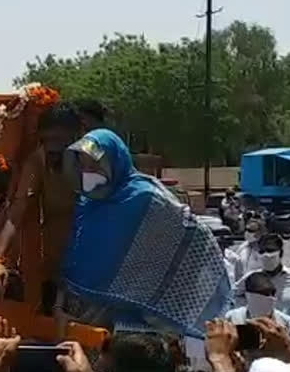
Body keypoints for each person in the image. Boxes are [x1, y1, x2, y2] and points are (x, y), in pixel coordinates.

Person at [59, 129, 230, 338]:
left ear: (114, 161)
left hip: (139, 320)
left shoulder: (146, 197)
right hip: (86, 314)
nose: (88, 170)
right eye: (83, 165)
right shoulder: (87, 204)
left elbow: (190, 234)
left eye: (94, 164)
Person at [0, 103, 83, 317]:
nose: (52, 149)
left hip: (94, 264)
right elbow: (18, 210)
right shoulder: (38, 161)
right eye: (47, 141)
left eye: (59, 142)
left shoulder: (93, 160)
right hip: (58, 266)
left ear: (76, 137)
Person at [235, 234, 290, 320]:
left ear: (281, 253)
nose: (266, 255)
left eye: (270, 250)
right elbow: (234, 295)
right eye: (262, 251)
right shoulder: (251, 278)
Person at [225, 272, 290, 343]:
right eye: (263, 294)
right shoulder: (232, 318)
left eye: (272, 294)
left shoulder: (287, 323)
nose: (270, 298)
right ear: (249, 296)